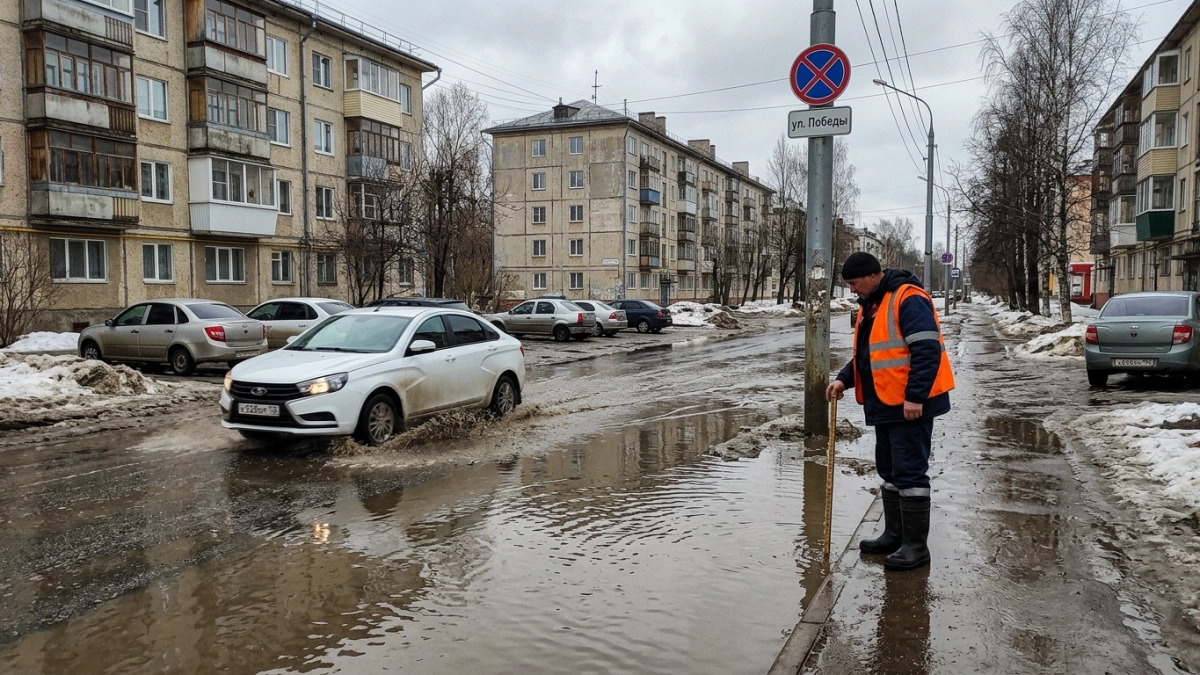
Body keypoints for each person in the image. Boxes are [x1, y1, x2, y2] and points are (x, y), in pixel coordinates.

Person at [825, 252, 954, 572]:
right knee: (890, 470)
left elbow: (926, 351)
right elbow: (870, 355)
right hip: (885, 402)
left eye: (854, 283)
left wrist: (915, 397)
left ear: (873, 275)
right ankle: (895, 535)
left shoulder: (908, 299)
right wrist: (844, 379)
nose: (851, 289)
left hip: (909, 404)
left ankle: (916, 548)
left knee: (910, 472)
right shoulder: (872, 304)